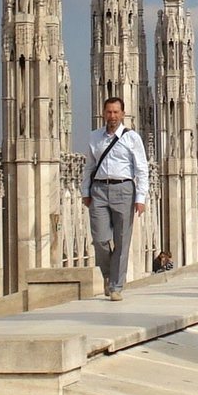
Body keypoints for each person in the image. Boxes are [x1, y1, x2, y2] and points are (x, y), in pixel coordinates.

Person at [80, 97, 149, 302]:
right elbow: (89, 167)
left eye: (116, 112)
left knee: (121, 241)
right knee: (100, 240)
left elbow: (142, 169)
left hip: (124, 189)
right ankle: (109, 274)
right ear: (103, 113)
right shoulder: (95, 137)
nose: (112, 116)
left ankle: (116, 286)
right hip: (99, 189)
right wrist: (85, 191)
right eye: (109, 112)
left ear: (123, 114)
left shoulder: (132, 138)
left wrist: (141, 197)